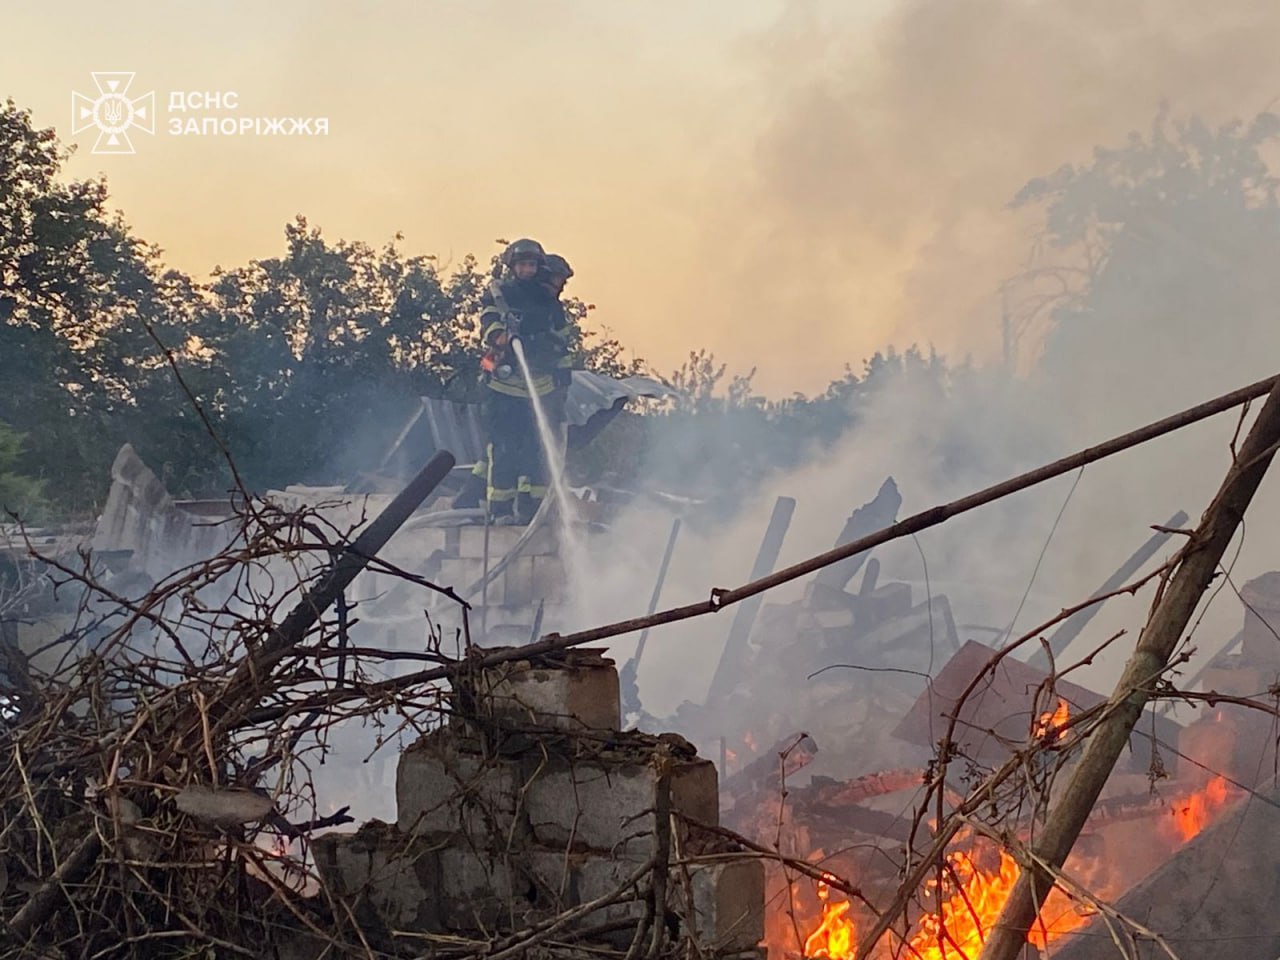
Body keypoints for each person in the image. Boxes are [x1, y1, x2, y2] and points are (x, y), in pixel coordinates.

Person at [474, 239, 576, 523]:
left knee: (537, 451)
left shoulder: (549, 303)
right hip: (504, 389)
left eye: (532, 265)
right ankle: (500, 510)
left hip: (539, 390)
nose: (527, 270)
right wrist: (503, 337)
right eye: (522, 265)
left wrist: (560, 373)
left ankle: (533, 510)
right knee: (504, 450)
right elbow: (489, 326)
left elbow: (562, 341)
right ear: (513, 266)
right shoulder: (502, 295)